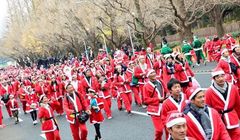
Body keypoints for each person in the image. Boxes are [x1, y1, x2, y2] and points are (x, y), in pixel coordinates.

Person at [205, 68, 240, 140]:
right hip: (219, 120)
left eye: (222, 76)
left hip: (233, 118)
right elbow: (208, 110)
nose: (221, 78)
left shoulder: (233, 88)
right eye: (218, 77)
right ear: (214, 79)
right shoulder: (209, 92)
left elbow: (238, 104)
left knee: (237, 136)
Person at [143, 69, 168, 140]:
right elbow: (146, 100)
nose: (154, 74)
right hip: (154, 109)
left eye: (154, 72)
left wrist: (168, 93)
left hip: (164, 106)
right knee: (159, 130)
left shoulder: (160, 81)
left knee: (168, 127)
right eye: (151, 73)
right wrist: (158, 100)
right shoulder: (146, 86)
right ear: (148, 76)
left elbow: (165, 89)